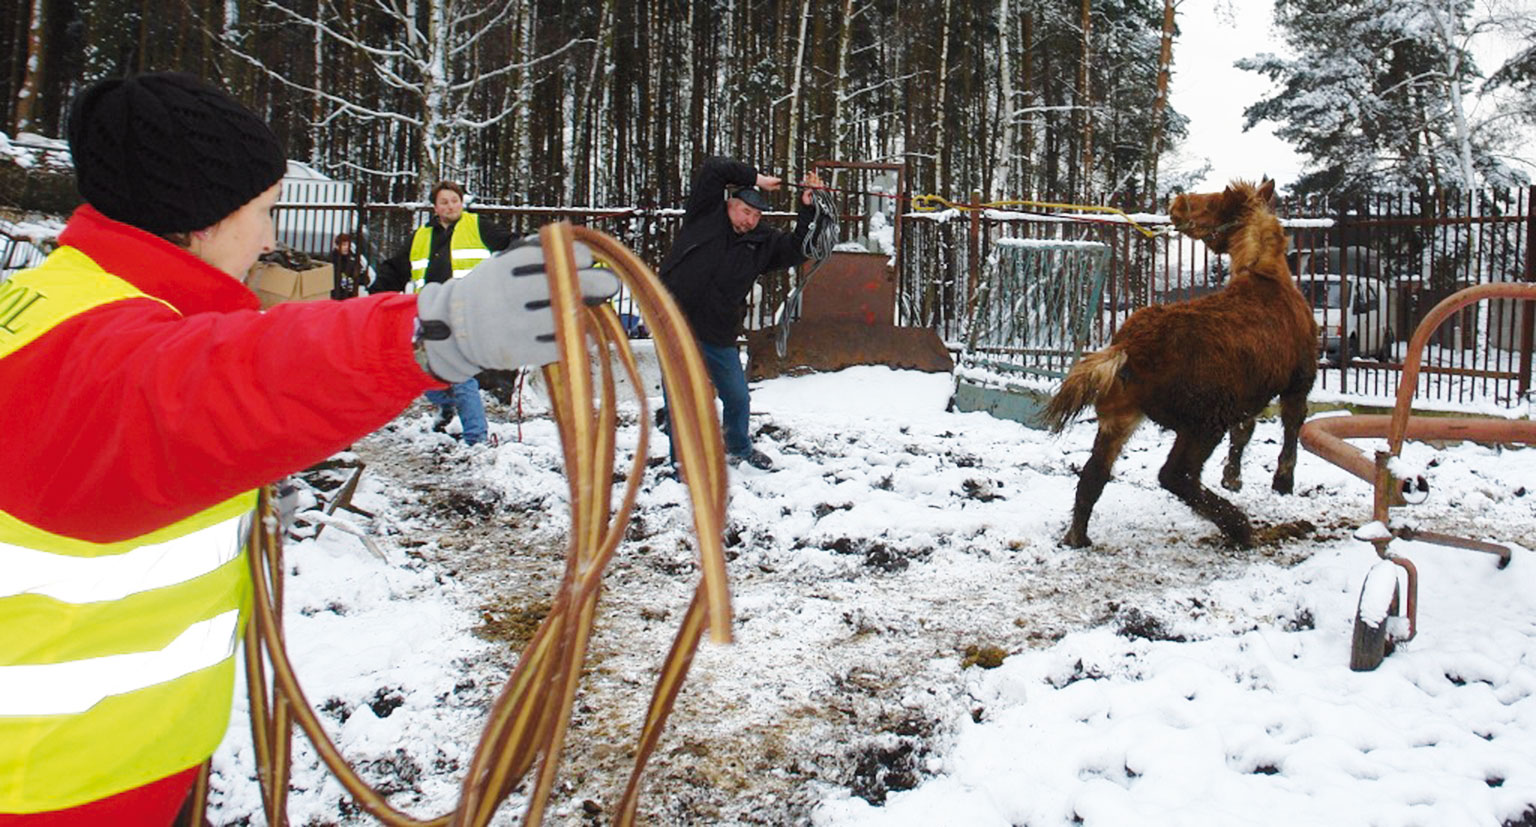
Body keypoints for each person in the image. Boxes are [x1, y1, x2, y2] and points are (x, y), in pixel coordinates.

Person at [0, 72, 615, 825]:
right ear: (199, 219)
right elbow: (235, 380)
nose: (269, 238)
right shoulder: (95, 356)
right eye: (263, 212)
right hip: (50, 791)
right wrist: (430, 331)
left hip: (111, 769)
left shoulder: (59, 301)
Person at [658, 156, 823, 470]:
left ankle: (739, 448)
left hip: (718, 332)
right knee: (681, 398)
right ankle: (681, 462)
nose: (750, 220)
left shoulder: (762, 243)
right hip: (675, 324)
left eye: (756, 215)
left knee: (737, 397)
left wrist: (806, 208)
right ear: (730, 204)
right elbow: (712, 168)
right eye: (746, 211)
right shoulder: (704, 215)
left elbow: (800, 247)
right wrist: (757, 178)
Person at [370, 182, 515, 446]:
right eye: (444, 202)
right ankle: (447, 405)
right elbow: (395, 268)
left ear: (461, 203)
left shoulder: (479, 226)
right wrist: (375, 296)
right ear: (435, 208)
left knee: (460, 374)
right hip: (430, 314)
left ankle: (476, 438)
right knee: (419, 368)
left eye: (454, 200)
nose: (450, 206)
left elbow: (511, 243)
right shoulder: (421, 237)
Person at [328, 231, 365, 299]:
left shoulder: (352, 259)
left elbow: (364, 278)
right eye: (344, 245)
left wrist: (354, 280)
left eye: (348, 245)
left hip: (349, 297)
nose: (346, 247)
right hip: (336, 297)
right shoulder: (331, 260)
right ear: (337, 246)